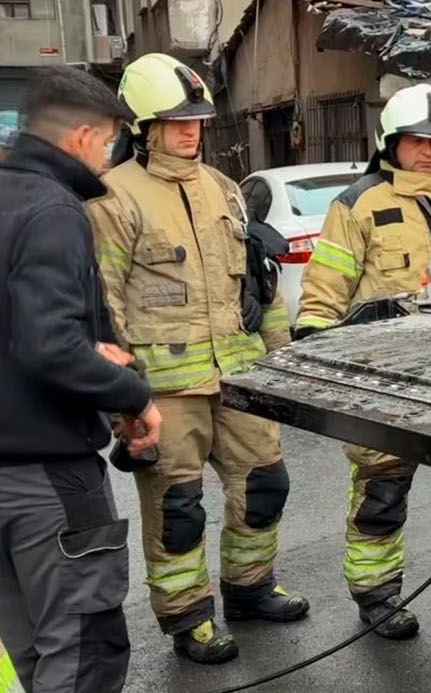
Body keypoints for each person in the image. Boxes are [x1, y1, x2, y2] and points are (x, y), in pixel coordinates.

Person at [87, 53, 307, 666]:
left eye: (198, 120)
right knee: (177, 509)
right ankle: (189, 617)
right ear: (142, 126)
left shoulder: (224, 189)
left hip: (238, 377)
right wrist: (122, 402)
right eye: (176, 120)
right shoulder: (111, 197)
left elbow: (259, 286)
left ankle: (249, 588)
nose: (191, 130)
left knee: (265, 484)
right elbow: (104, 310)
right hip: (163, 390)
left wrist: (282, 369)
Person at [293, 83, 431, 640]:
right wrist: (317, 354)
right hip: (381, 375)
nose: (429, 153)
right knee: (381, 490)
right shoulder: (358, 204)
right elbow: (324, 291)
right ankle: (376, 596)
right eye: (417, 141)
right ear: (390, 142)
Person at [0, 65, 161, 693]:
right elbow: (50, 347)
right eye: (109, 142)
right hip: (47, 479)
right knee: (81, 652)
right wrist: (133, 394)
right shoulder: (53, 210)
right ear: (82, 137)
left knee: (36, 651)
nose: (109, 158)